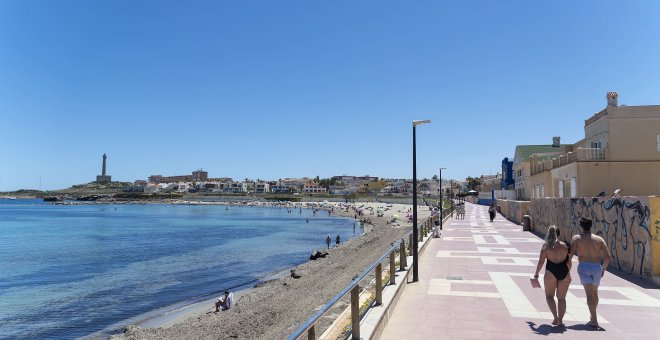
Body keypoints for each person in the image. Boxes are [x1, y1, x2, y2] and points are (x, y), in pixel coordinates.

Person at [570, 217, 610, 328]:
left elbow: (570, 255)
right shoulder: (599, 239)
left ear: (581, 226)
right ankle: (592, 317)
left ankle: (594, 320)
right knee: (595, 293)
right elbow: (608, 257)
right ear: (591, 226)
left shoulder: (577, 238)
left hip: (584, 266)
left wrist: (567, 268)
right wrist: (603, 270)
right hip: (597, 267)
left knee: (589, 294)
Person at [533, 226, 571, 326]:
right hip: (564, 272)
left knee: (549, 296)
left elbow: (541, 261)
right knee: (562, 298)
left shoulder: (546, 246)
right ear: (558, 234)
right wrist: (567, 271)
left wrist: (536, 274)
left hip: (551, 272)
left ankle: (555, 317)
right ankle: (561, 320)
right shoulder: (565, 245)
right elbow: (569, 262)